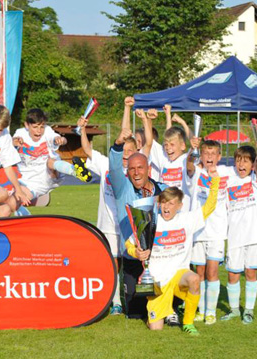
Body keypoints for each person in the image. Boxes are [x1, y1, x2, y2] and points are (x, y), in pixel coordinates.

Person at [79, 97, 153, 315]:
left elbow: (146, 144)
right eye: (125, 151)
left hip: (128, 224)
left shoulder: (135, 168)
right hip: (108, 223)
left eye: (131, 151)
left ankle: (133, 296)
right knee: (113, 262)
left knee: (132, 260)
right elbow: (87, 150)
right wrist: (82, 130)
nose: (127, 155)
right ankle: (115, 302)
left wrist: (129, 109)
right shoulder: (106, 164)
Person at [125, 167, 220, 336]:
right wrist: (136, 253)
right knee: (156, 328)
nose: (166, 207)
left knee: (194, 279)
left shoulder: (187, 219)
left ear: (179, 205)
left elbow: (209, 207)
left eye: (171, 203)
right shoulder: (150, 222)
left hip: (178, 276)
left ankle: (188, 323)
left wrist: (215, 182)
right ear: (159, 204)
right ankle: (159, 314)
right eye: (163, 203)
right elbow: (129, 243)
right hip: (157, 282)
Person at [109, 128, 167, 320]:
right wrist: (118, 145)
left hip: (160, 259)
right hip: (133, 260)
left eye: (140, 168)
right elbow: (115, 168)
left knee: (164, 308)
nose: (136, 173)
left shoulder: (163, 190)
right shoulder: (122, 189)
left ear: (148, 169)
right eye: (132, 169)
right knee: (135, 313)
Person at [11, 108, 92, 216]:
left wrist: (60, 140)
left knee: (49, 161)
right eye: (35, 127)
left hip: (48, 176)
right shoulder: (20, 133)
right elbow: (13, 141)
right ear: (27, 125)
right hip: (28, 181)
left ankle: (75, 171)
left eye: (41, 127)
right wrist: (14, 142)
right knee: (14, 202)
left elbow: (56, 138)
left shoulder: (48, 131)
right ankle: (26, 223)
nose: (39, 130)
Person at [186, 139, 232, 324]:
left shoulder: (227, 173)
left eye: (213, 154)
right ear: (202, 156)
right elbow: (189, 165)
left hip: (217, 232)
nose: (210, 157)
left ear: (219, 156)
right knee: (200, 273)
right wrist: (193, 148)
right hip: (198, 231)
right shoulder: (196, 172)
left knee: (213, 272)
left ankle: (211, 311)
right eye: (206, 153)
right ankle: (200, 310)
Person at [220, 145, 257, 324]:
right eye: (238, 160)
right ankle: (235, 309)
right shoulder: (230, 178)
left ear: (253, 164)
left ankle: (249, 311)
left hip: (254, 237)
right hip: (235, 237)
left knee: (251, 273)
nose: (241, 164)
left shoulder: (256, 180)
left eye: (245, 161)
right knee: (232, 275)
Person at [149, 110, 192, 210]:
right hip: (164, 212)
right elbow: (149, 140)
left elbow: (194, 143)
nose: (168, 148)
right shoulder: (164, 159)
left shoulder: (186, 159)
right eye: (166, 145)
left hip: (182, 213)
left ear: (182, 146)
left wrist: (183, 123)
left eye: (172, 145)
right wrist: (147, 120)